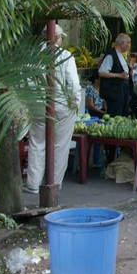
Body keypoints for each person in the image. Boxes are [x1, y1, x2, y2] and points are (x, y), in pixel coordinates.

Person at [24, 24, 81, 194]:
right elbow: (73, 84)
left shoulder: (32, 56)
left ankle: (33, 184)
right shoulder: (65, 56)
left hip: (37, 105)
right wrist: (74, 104)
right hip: (61, 106)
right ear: (57, 38)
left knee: (37, 143)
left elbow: (25, 82)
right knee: (60, 146)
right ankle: (54, 184)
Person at [98, 33, 132, 116]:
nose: (129, 45)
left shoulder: (121, 54)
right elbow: (101, 72)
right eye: (128, 43)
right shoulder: (111, 55)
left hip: (122, 90)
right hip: (114, 92)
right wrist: (119, 75)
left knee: (123, 114)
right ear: (121, 43)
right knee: (115, 114)